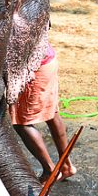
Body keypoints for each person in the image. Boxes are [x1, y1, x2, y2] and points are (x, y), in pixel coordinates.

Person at [9, 42, 77, 183]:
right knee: (52, 112)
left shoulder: (14, 19)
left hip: (33, 68)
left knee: (21, 122)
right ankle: (66, 166)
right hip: (47, 60)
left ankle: (50, 171)